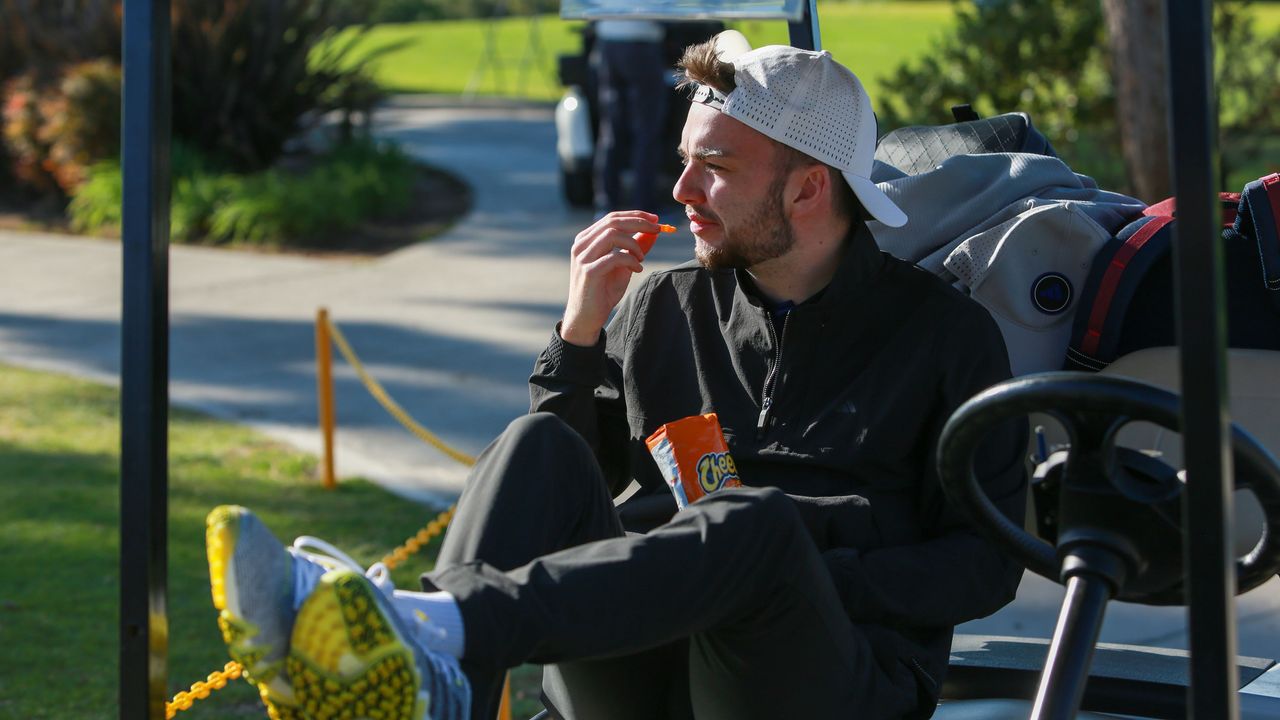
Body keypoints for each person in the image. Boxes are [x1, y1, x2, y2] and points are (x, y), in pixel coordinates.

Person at [205, 33, 1028, 720]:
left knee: (758, 526)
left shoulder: (946, 335)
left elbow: (984, 565)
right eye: (684, 161)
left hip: (834, 674)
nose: (680, 192)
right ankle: (440, 672)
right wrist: (580, 329)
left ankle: (428, 625)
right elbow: (566, 486)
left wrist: (811, 572)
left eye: (716, 167)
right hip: (648, 660)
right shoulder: (662, 307)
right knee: (536, 447)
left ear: (811, 186)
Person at [591, 19, 669, 215]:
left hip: (608, 43)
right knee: (646, 130)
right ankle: (644, 205)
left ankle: (606, 202)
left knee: (612, 128)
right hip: (641, 43)